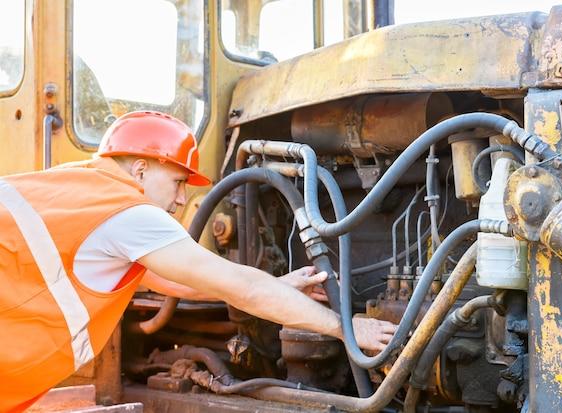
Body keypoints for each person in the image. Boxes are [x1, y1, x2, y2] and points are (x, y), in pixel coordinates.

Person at [0, 111, 396, 412]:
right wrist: (346, 327)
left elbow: (176, 281)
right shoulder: (126, 212)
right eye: (176, 182)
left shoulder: (79, 188)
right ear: (140, 169)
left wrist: (281, 286)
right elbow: (239, 287)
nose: (179, 201)